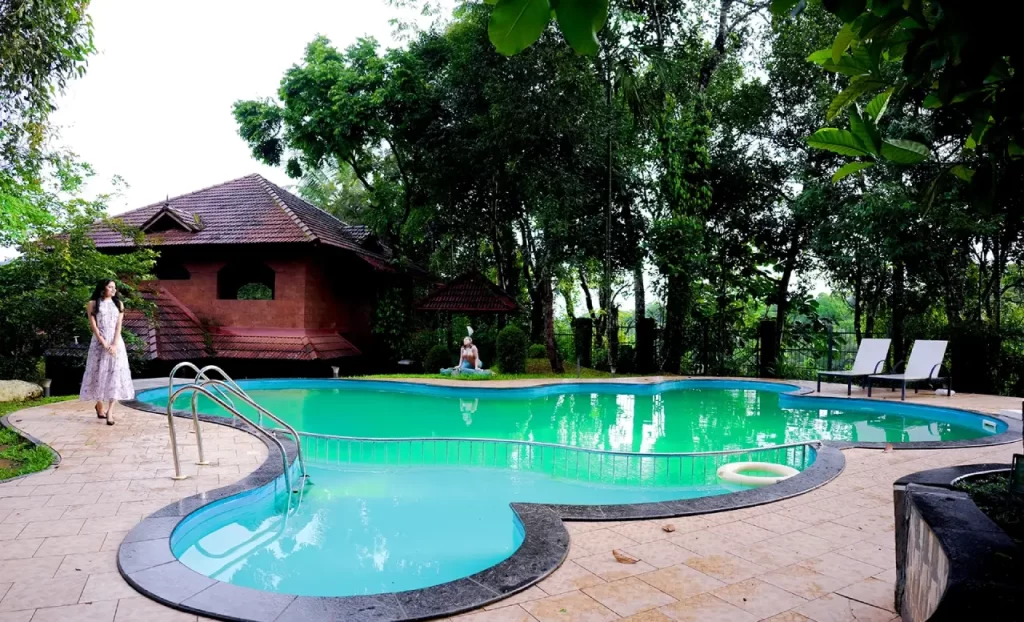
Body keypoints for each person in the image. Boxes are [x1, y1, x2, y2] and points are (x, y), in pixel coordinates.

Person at [80, 279, 135, 425]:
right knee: (98, 372)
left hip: (116, 343)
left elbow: (119, 326)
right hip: (99, 342)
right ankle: (99, 405)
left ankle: (110, 411)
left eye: (114, 287)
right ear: (102, 288)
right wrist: (103, 342)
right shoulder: (92, 304)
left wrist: (115, 344)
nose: (113, 289)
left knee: (115, 374)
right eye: (110, 287)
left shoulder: (119, 304)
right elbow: (94, 326)